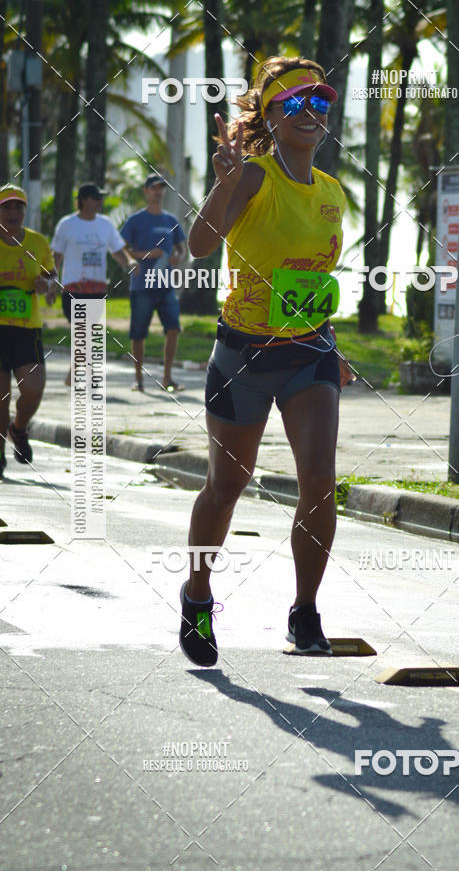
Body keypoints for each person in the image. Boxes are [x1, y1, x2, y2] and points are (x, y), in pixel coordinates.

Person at [179, 56, 353, 666]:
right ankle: (198, 594)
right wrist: (224, 184)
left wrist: (335, 343)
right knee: (227, 484)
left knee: (320, 483)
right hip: (243, 356)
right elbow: (200, 246)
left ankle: (305, 611)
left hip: (310, 351)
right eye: (295, 103)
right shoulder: (253, 177)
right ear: (271, 117)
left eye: (319, 103)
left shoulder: (332, 192)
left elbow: (314, 279)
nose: (310, 113)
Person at [50, 182, 138, 385]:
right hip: (73, 287)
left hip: (97, 288)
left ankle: (75, 373)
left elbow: (117, 250)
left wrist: (130, 261)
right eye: (96, 198)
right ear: (83, 201)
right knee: (83, 330)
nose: (100, 202)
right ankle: (77, 374)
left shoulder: (105, 224)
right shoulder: (67, 224)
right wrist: (52, 282)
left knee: (88, 331)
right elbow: (57, 256)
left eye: (101, 198)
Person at [0, 184, 57, 477]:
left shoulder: (37, 242)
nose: (12, 212)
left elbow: (52, 276)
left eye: (18, 207)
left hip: (27, 330)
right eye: (6, 207)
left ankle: (19, 428)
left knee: (33, 391)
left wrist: (46, 285)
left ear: (25, 210)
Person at [120, 174, 187, 392]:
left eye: (161, 188)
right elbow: (120, 248)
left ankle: (167, 378)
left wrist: (178, 257)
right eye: (154, 188)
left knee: (174, 329)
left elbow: (182, 249)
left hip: (166, 286)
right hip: (141, 286)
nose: (158, 192)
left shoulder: (171, 220)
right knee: (138, 334)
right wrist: (148, 254)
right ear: (146, 191)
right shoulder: (135, 220)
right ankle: (138, 379)